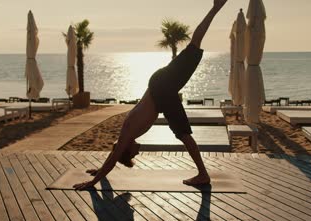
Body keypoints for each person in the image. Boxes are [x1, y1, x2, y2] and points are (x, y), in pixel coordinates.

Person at [74, 0, 228, 190]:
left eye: (131, 155)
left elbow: (114, 157)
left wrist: (92, 183)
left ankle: (203, 174)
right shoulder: (128, 135)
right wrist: (99, 171)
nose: (136, 154)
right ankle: (215, 9)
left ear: (127, 148)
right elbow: (114, 154)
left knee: (183, 133)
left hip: (162, 89)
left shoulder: (128, 131)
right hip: (161, 88)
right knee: (193, 47)